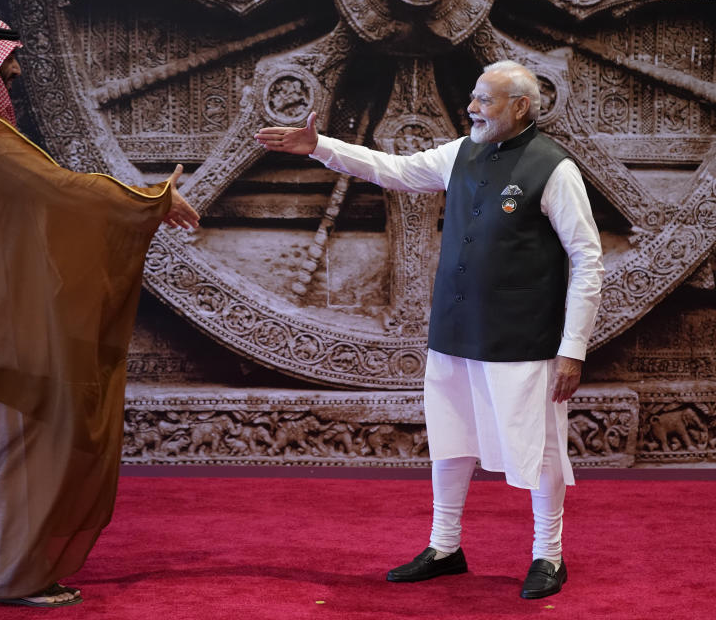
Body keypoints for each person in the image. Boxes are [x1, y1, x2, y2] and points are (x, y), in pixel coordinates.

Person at [255, 60, 603, 599]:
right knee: (450, 440)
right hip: (454, 329)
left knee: (542, 448)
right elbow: (391, 169)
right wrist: (320, 146)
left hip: (524, 337)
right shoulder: (458, 154)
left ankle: (548, 556)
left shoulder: (554, 168)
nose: (472, 108)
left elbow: (587, 259)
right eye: (473, 97)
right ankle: (445, 546)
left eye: (485, 100)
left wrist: (573, 349)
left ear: (521, 107)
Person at [0, 13, 199, 608]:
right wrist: (149, 201)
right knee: (18, 435)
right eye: (7, 61)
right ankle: (8, 574)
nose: (18, 70)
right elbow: (60, 191)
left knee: (4, 434)